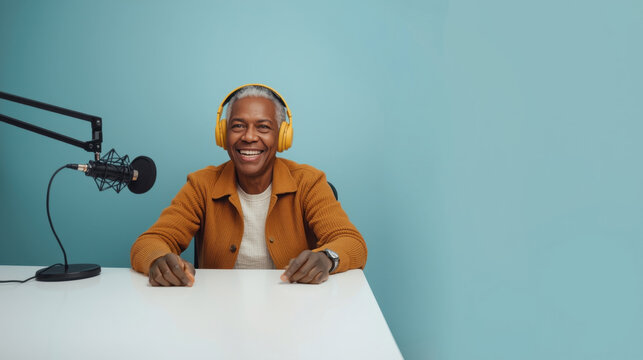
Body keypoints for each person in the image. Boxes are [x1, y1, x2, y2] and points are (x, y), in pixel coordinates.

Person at [130, 84, 367, 286]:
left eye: (263, 127)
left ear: (282, 136)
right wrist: (158, 259)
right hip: (219, 314)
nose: (249, 137)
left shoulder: (308, 182)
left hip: (295, 312)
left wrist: (327, 258)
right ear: (223, 134)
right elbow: (149, 242)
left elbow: (352, 242)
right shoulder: (201, 185)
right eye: (238, 126)